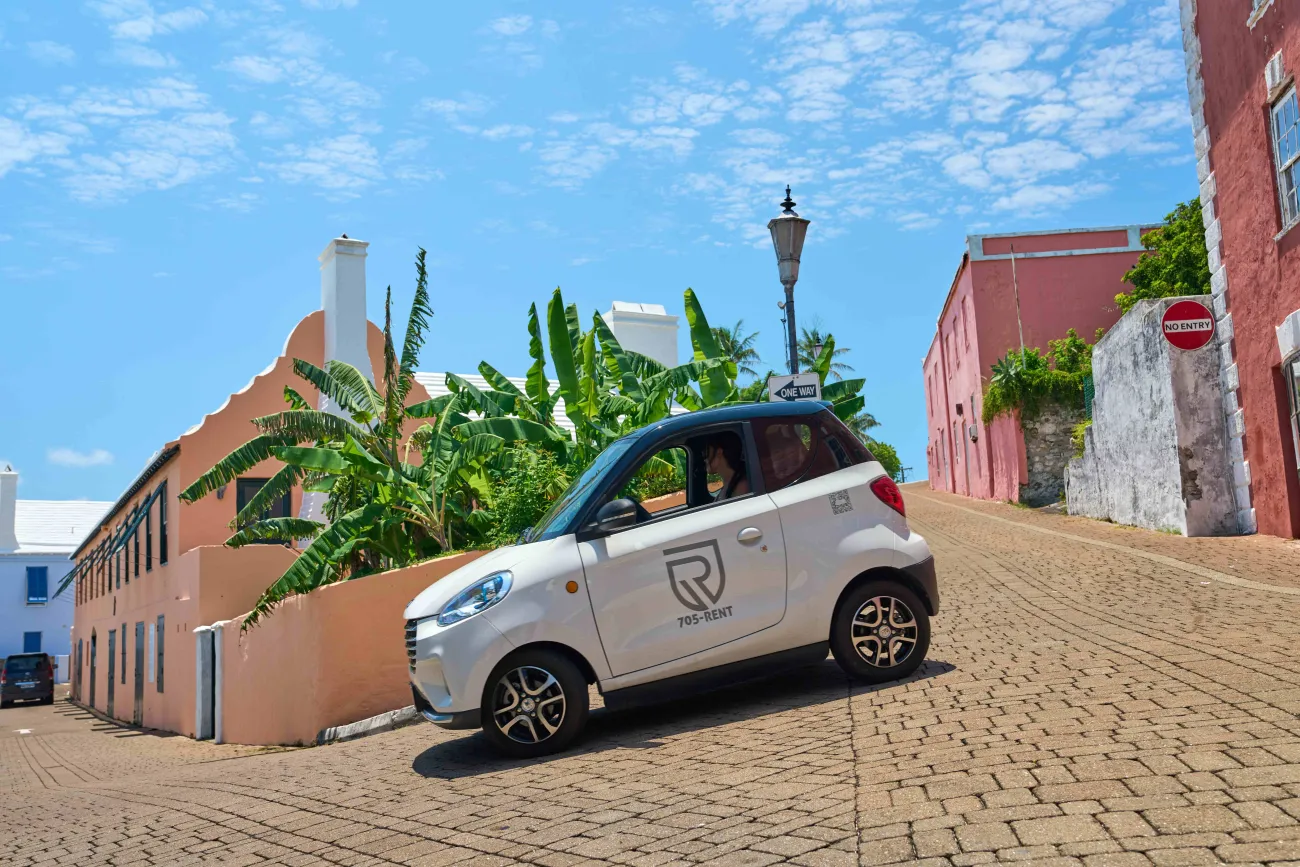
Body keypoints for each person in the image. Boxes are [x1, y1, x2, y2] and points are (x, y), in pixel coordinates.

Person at [703, 433, 750, 501]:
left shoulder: (741, 487)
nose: (705, 459)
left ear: (719, 453)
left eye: (707, 452)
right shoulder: (728, 483)